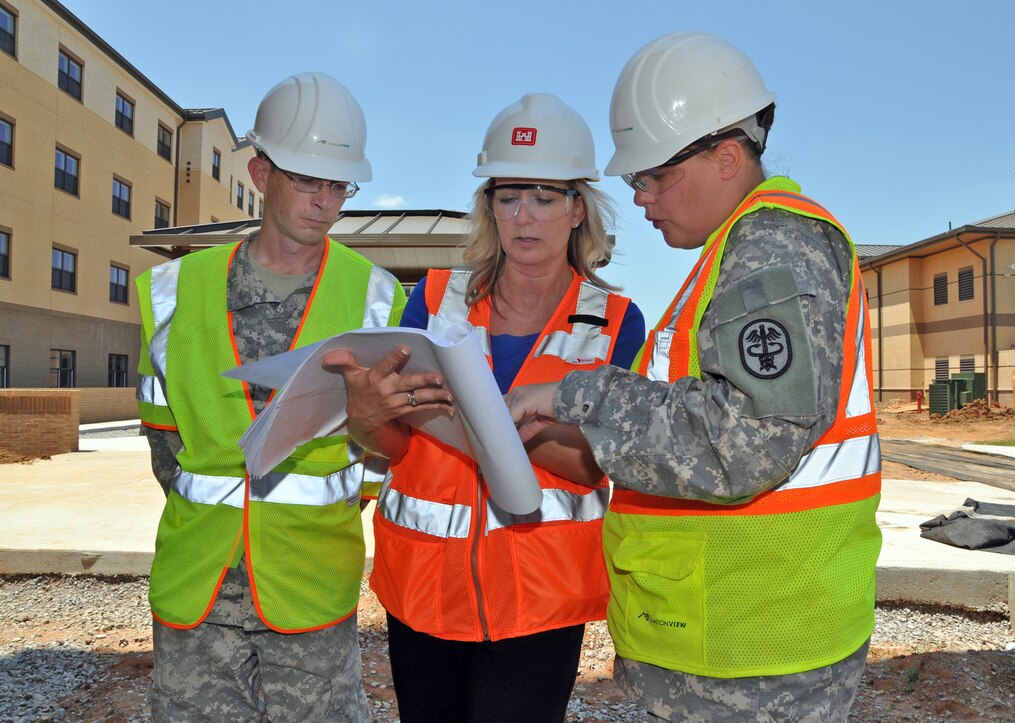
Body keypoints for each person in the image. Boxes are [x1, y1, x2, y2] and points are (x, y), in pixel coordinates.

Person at [506, 31, 881, 721]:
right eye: (634, 180)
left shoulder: (774, 244)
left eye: (655, 176)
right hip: (734, 640)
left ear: (727, 155)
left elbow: (742, 439)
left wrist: (575, 391)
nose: (642, 196)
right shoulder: (739, 251)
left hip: (755, 653)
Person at [322, 92, 645, 723]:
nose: (525, 216)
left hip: (539, 598)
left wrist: (476, 423)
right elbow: (398, 444)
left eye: (545, 197)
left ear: (578, 209)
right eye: (507, 196)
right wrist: (366, 421)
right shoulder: (433, 301)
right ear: (489, 206)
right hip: (423, 588)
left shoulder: (615, 323)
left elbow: (591, 465)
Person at [135, 72, 405, 722]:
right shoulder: (173, 291)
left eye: (338, 185)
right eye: (308, 180)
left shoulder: (378, 299)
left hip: (311, 583)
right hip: (199, 580)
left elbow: (384, 454)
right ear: (260, 173)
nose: (325, 201)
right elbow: (164, 444)